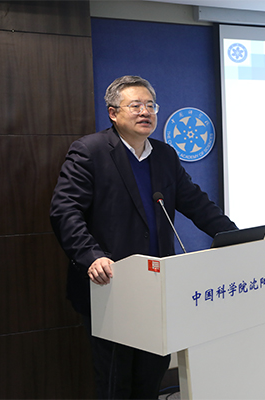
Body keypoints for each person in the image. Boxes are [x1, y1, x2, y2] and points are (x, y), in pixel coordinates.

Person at [50, 75, 237, 399]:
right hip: (111, 285)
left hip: (158, 286)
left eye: (150, 105)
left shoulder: (164, 155)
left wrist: (236, 237)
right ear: (113, 113)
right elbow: (64, 210)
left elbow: (197, 204)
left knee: (151, 374)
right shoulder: (90, 151)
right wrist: (91, 256)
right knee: (115, 380)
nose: (145, 112)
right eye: (135, 105)